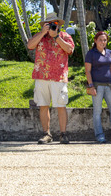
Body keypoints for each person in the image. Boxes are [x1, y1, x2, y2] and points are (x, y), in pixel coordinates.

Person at [27, 12, 75, 144]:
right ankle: (46, 134)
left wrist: (57, 37)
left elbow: (70, 50)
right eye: (49, 24)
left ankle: (63, 134)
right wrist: (43, 33)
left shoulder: (65, 36)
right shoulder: (40, 36)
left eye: (54, 23)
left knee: (61, 105)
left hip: (59, 76)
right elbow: (30, 45)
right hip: (41, 75)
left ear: (59, 25)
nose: (52, 26)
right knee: (43, 105)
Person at [84, 31, 111, 143]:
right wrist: (91, 86)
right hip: (97, 86)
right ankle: (99, 136)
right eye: (100, 40)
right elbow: (87, 71)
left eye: (104, 40)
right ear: (95, 40)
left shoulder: (109, 53)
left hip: (109, 86)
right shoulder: (91, 53)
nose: (102, 42)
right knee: (97, 112)